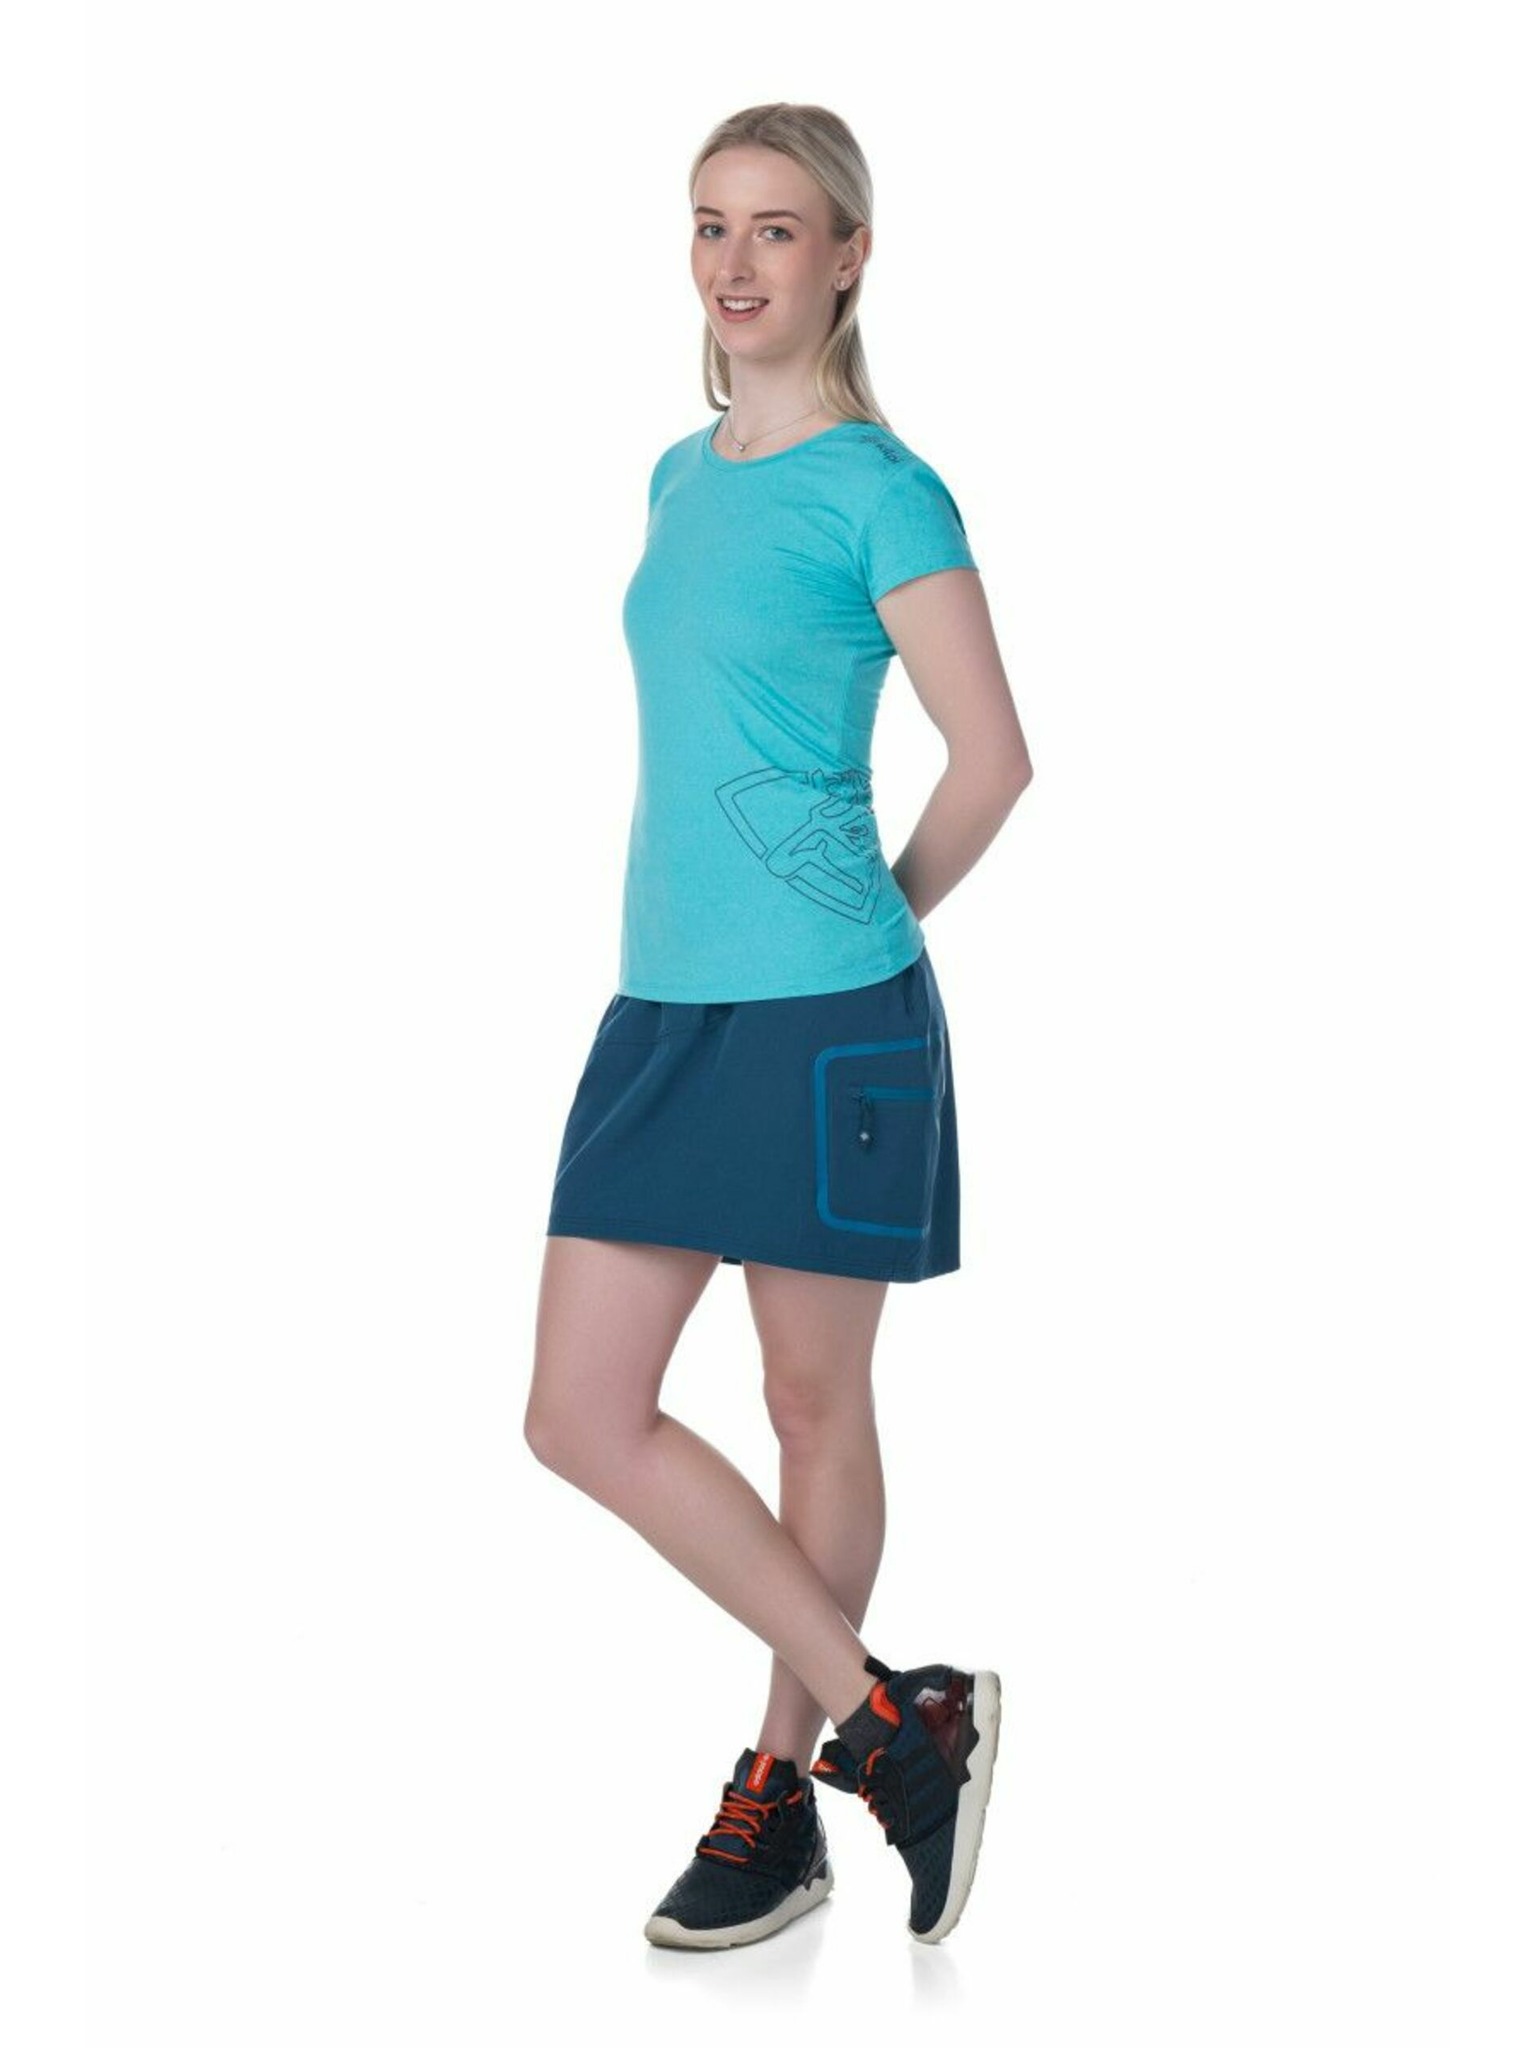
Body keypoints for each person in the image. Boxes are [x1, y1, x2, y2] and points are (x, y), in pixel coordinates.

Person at [524, 101, 1033, 1950]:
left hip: (825, 1016)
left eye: (776, 229)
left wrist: (869, 924)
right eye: (709, 224)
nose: (734, 263)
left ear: (848, 257)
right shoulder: (684, 472)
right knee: (579, 1415)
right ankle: (896, 1724)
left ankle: (776, 1795)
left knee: (812, 1404)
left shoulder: (885, 488)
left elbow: (994, 758)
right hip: (662, 1009)